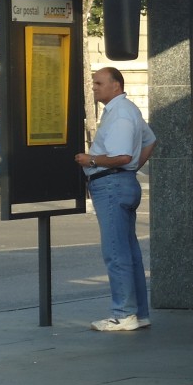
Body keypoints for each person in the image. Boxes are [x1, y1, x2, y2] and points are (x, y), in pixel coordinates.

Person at [75, 67, 156, 333]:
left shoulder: (119, 114)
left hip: (111, 183)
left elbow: (121, 156)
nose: (95, 87)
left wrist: (92, 160)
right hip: (123, 182)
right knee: (129, 252)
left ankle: (123, 314)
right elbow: (150, 141)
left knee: (115, 252)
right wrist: (132, 168)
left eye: (99, 83)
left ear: (116, 86)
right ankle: (139, 313)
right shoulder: (129, 110)